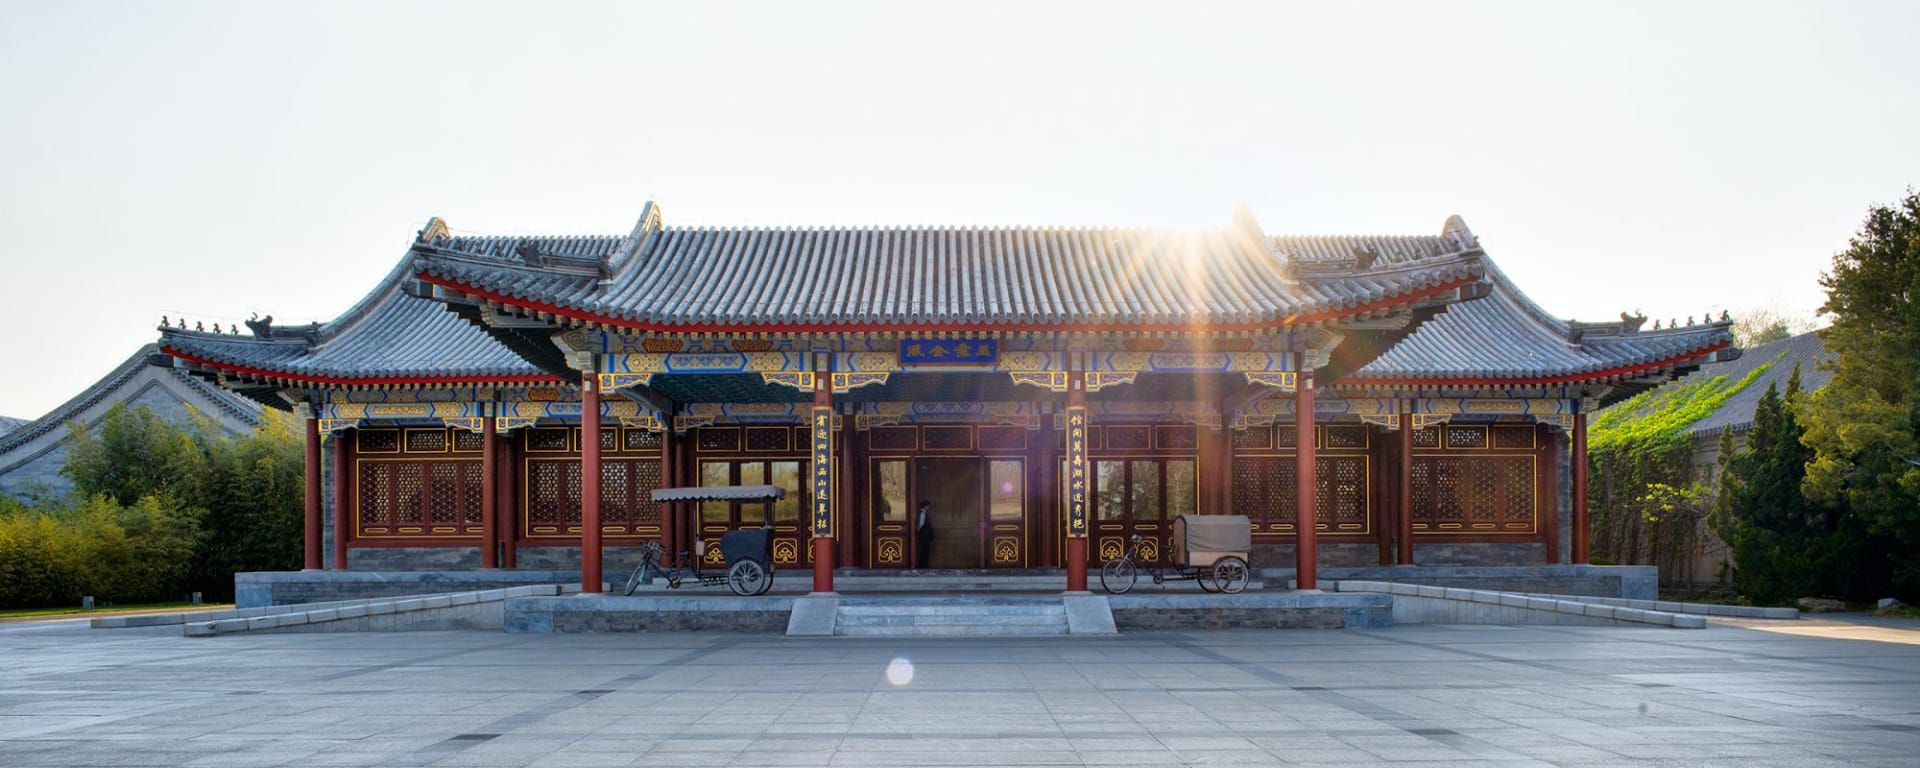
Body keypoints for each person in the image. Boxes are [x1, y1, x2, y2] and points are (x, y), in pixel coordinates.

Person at [916, 499, 934, 569]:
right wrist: (918, 532)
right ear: (925, 506)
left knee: (925, 550)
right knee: (924, 550)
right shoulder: (922, 514)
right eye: (928, 506)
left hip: (924, 535)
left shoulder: (923, 513)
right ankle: (923, 565)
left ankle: (923, 565)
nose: (928, 507)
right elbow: (921, 524)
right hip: (924, 535)